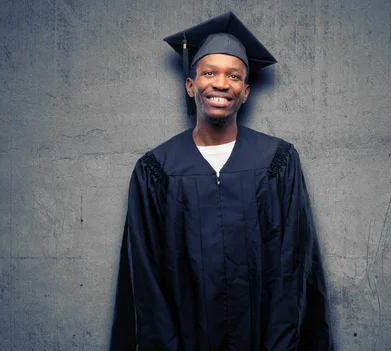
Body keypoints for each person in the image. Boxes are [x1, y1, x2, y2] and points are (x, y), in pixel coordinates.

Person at [111, 12, 332, 351]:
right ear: (190, 85)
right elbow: (145, 276)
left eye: (234, 76)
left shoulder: (277, 162)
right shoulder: (156, 170)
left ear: (245, 92)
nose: (221, 83)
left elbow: (294, 265)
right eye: (209, 73)